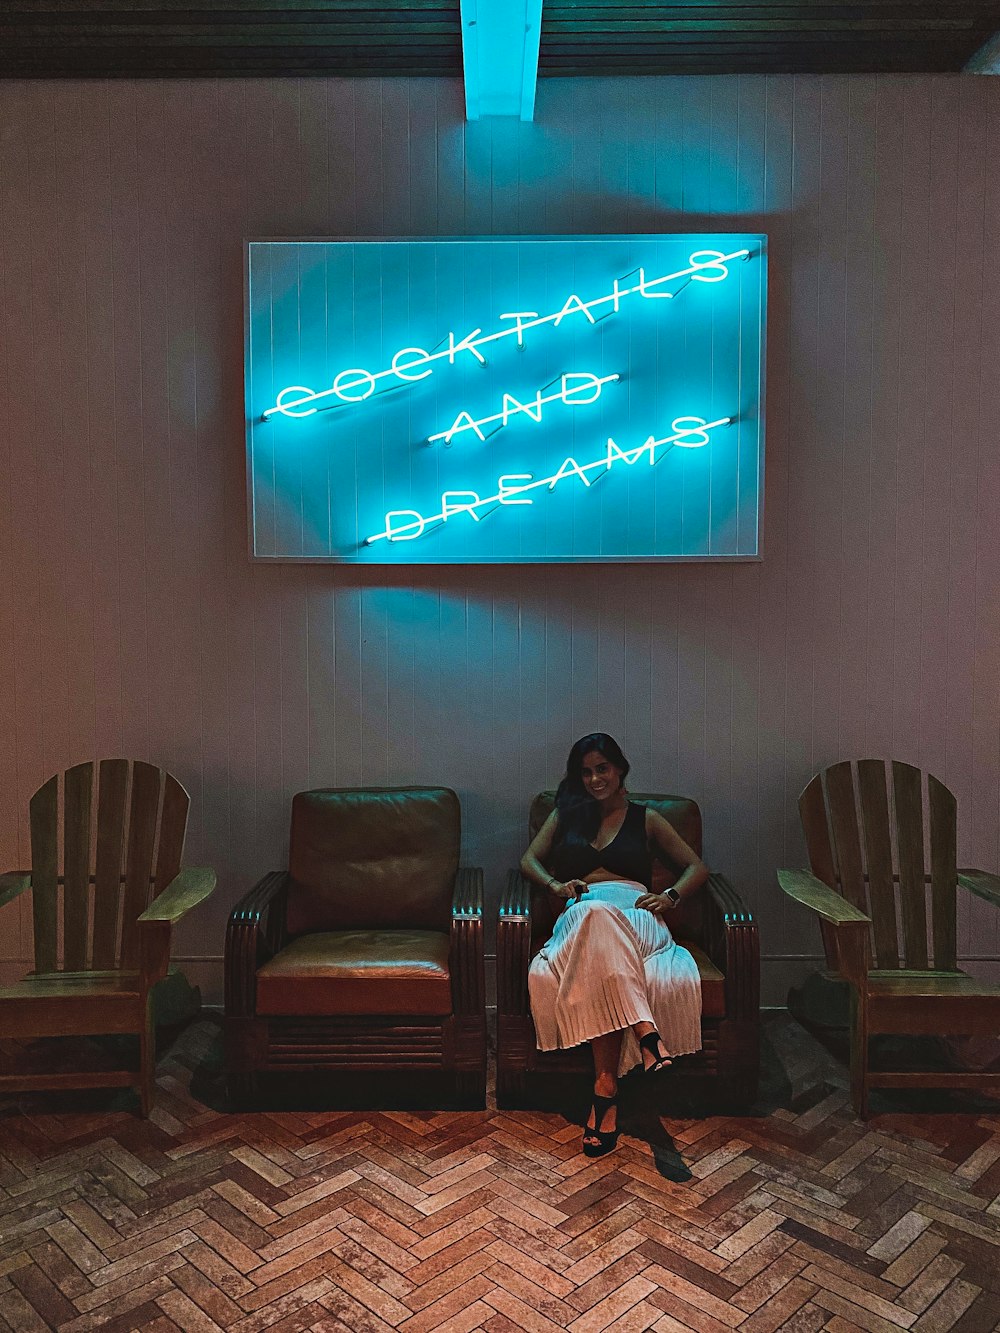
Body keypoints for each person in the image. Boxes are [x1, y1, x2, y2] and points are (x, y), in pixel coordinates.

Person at [522, 733, 708, 1157]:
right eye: (585, 772)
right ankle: (645, 1033)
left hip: (638, 919)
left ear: (619, 769)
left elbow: (696, 868)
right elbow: (528, 860)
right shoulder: (566, 814)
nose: (594, 779)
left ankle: (604, 1091)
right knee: (595, 915)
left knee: (601, 921)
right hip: (580, 915)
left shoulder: (647, 818)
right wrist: (555, 885)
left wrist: (670, 897)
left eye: (601, 769)